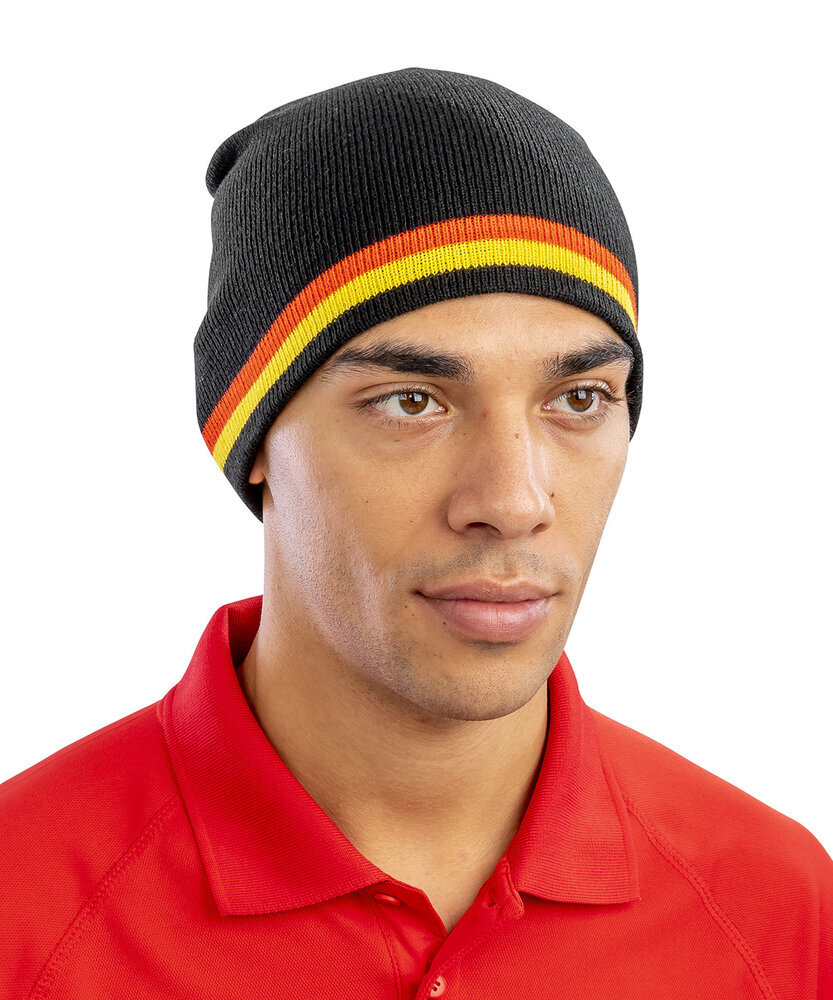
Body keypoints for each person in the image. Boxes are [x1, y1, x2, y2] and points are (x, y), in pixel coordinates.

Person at [1, 66, 830, 999]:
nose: (513, 500)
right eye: (411, 401)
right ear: (251, 434)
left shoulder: (774, 910)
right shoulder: (23, 912)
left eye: (578, 399)